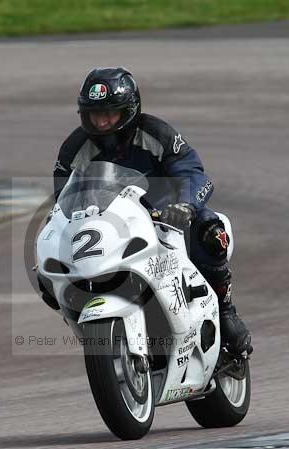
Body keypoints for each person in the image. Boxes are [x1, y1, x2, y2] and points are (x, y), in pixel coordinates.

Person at [53, 67, 252, 358]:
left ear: (129, 111)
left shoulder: (156, 133)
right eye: (94, 115)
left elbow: (193, 173)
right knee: (52, 264)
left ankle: (226, 311)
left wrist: (185, 206)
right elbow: (62, 197)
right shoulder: (75, 148)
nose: (102, 122)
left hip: (164, 217)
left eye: (109, 113)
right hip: (109, 227)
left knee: (212, 231)